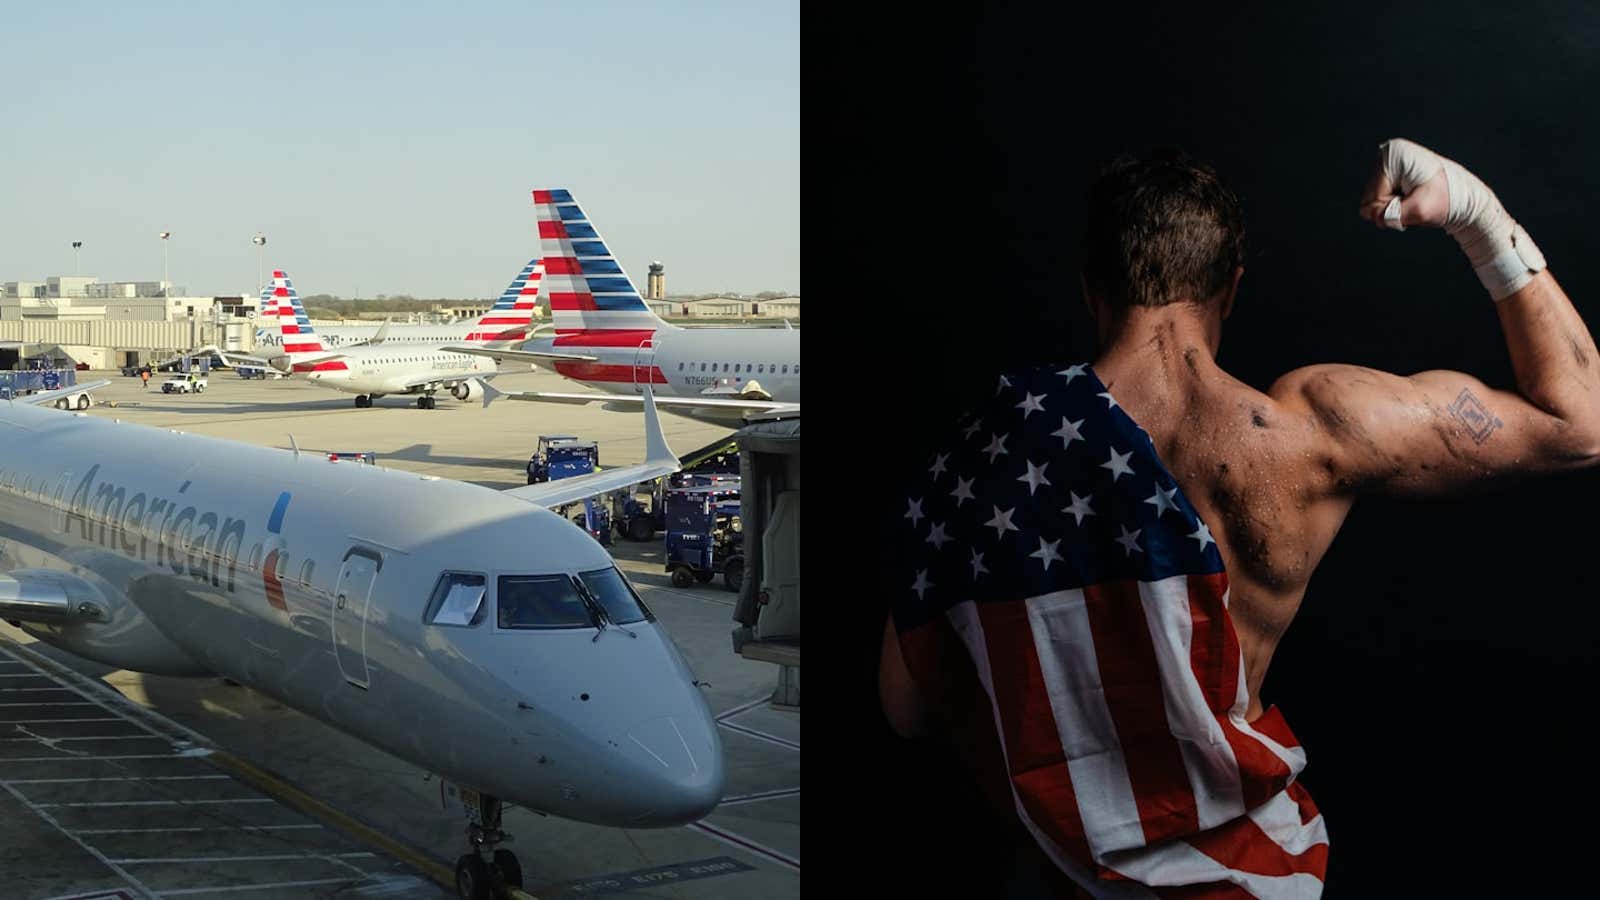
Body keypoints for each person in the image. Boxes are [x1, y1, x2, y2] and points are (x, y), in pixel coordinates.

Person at [880, 139, 1600, 897]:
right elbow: (1580, 426)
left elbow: (907, 709)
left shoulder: (985, 459)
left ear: (1091, 286)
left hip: (1062, 876)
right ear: (1230, 289)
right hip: (1251, 880)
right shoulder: (1308, 436)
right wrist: (1476, 213)